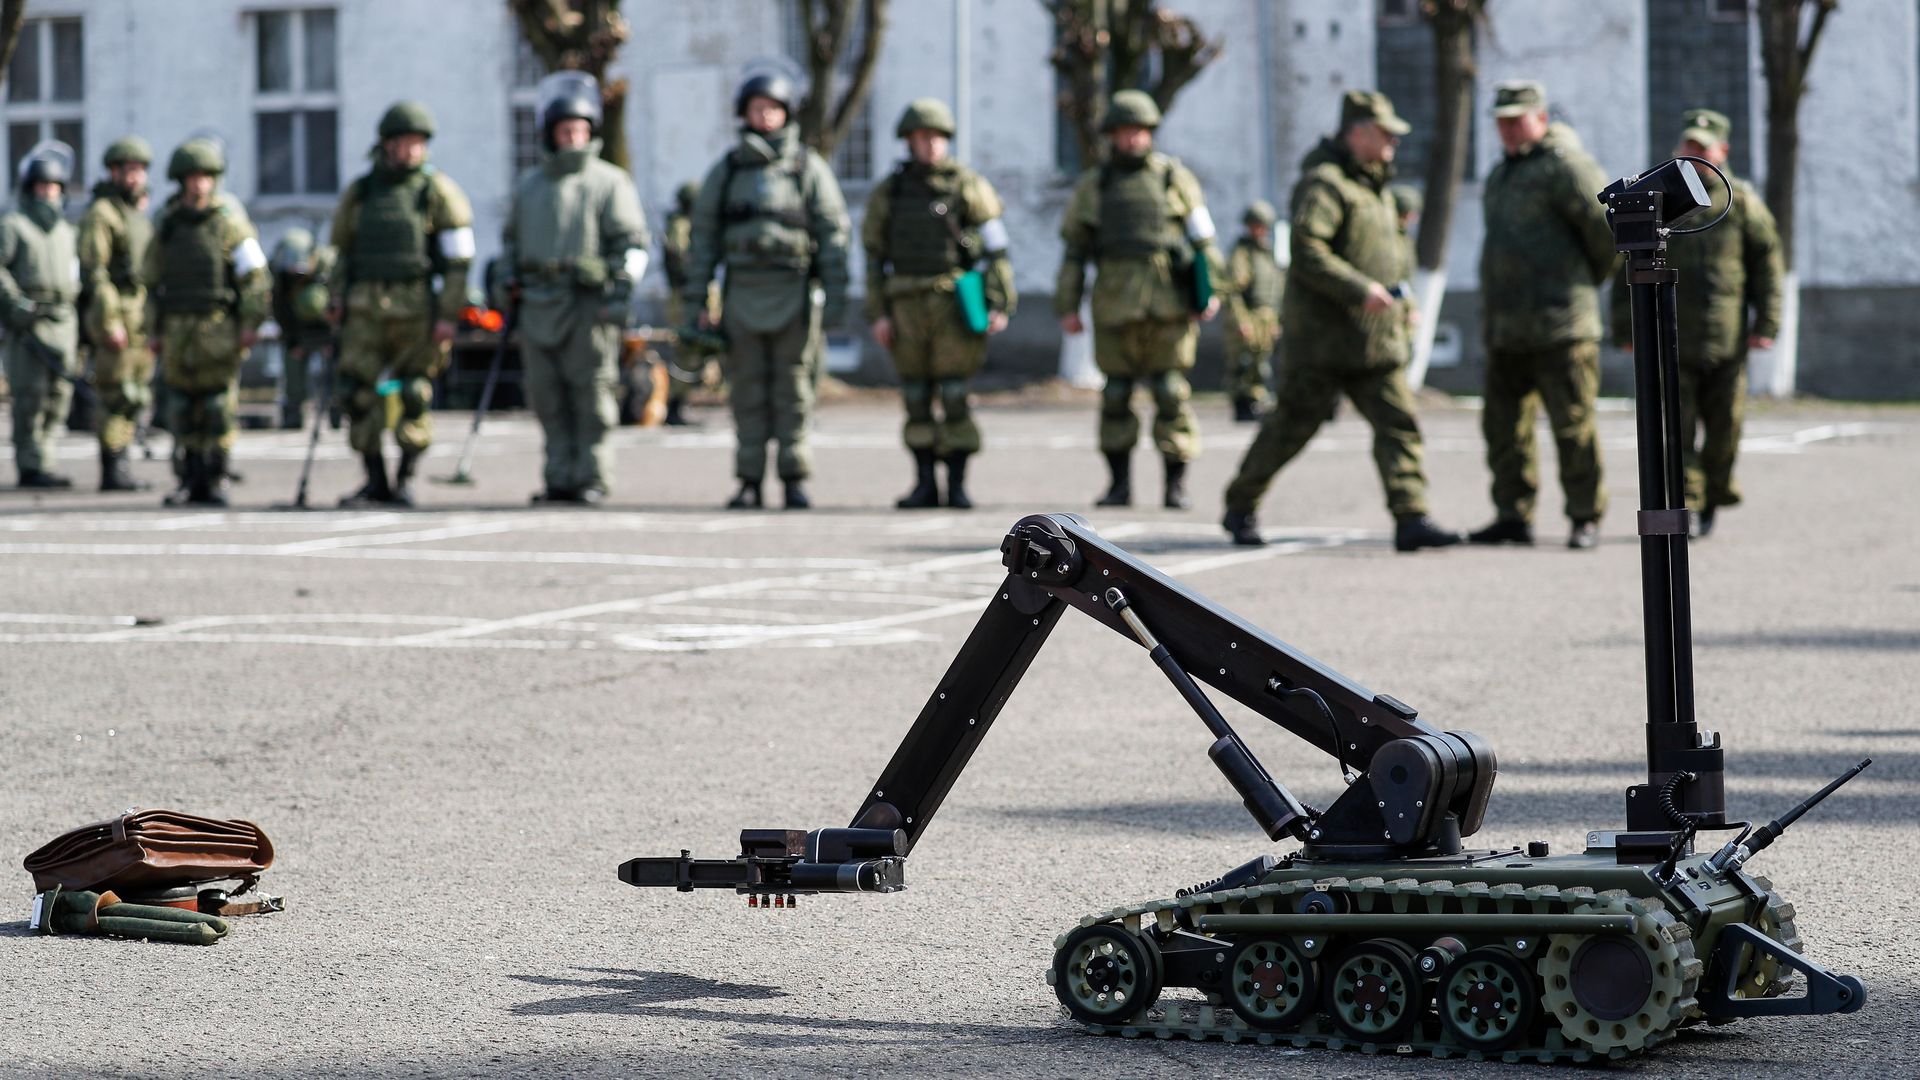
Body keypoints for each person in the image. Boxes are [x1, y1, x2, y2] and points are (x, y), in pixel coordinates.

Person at [1220, 91, 1461, 552]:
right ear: (1357, 132)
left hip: (1375, 342)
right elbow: (1308, 251)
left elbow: (1394, 257)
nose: (1394, 140)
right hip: (1324, 343)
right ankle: (1240, 504)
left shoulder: (1378, 189)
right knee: (1292, 425)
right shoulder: (1325, 184)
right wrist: (1359, 289)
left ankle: (1411, 517)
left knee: (1398, 424)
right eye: (1384, 131)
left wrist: (1403, 302)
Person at [1610, 108, 1781, 538]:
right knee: (1677, 433)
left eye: (1703, 148)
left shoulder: (1741, 201)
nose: (1695, 154)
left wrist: (1769, 323)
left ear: (1722, 151)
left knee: (1725, 432)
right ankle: (1692, 503)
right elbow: (1626, 260)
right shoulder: (1664, 199)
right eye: (1689, 147)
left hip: (1727, 341)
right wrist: (1625, 327)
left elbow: (1768, 264)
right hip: (1674, 339)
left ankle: (1716, 491)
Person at [682, 71, 850, 510]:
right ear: (744, 114)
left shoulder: (807, 167)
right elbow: (702, 239)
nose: (764, 115)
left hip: (793, 294)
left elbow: (833, 233)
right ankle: (749, 480)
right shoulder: (728, 169)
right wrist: (696, 300)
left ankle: (795, 478)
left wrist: (836, 296)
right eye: (756, 108)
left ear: (786, 113)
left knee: (794, 388)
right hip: (742, 295)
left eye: (772, 108)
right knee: (747, 390)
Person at [1470, 80, 1618, 551]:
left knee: (1572, 426)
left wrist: (1575, 288)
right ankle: (1512, 514)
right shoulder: (1502, 174)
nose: (1509, 130)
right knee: (1503, 429)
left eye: (1517, 119)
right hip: (1507, 328)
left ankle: (1584, 516)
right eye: (1502, 122)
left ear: (1541, 117)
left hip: (1562, 326)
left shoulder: (1567, 166)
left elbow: (1608, 233)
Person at [1056, 89, 1220, 510]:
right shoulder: (1096, 184)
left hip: (1168, 303)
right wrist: (1067, 306)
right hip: (1114, 303)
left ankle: (1175, 485)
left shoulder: (1174, 179)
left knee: (1171, 392)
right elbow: (1075, 251)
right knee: (1116, 395)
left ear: (1151, 133)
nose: (1132, 140)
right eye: (1124, 132)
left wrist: (1210, 289)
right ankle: (1119, 484)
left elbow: (1203, 241)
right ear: (1112, 135)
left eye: (1140, 131)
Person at [501, 72, 651, 505]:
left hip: (588, 307)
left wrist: (617, 286)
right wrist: (503, 279)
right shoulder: (530, 186)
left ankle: (593, 476)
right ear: (551, 132)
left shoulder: (609, 183)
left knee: (591, 395)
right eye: (566, 129)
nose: (573, 137)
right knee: (547, 396)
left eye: (581, 130)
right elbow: (511, 242)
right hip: (538, 305)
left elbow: (633, 245)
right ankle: (558, 476)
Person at [863, 97, 1015, 509]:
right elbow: (874, 257)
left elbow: (996, 249)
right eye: (921, 137)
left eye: (936, 137)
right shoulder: (890, 192)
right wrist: (877, 313)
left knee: (952, 392)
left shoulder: (969, 185)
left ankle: (959, 484)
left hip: (953, 303)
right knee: (915, 395)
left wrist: (999, 301)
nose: (929, 145)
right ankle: (925, 482)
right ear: (908, 141)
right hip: (905, 303)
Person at [328, 100, 474, 507]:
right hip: (364, 306)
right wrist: (335, 298)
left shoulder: (437, 191)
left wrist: (448, 314)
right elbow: (339, 251)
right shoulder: (360, 193)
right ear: (387, 145)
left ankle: (406, 477)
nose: (411, 151)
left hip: (415, 308)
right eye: (403, 142)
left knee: (414, 393)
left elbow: (460, 260)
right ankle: (374, 480)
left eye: (418, 143)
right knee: (357, 392)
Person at [141, 138, 270, 506]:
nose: (198, 185)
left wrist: (250, 324)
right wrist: (153, 331)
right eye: (191, 178)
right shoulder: (167, 226)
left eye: (205, 178)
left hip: (218, 330)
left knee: (217, 409)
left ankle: (216, 477)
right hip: (178, 330)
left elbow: (256, 278)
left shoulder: (230, 224)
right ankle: (188, 479)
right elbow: (150, 283)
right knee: (181, 409)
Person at [1, 143, 82, 488]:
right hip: (28, 322)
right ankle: (29, 464)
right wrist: (15, 304)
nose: (48, 194)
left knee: (58, 397)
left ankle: (45, 460)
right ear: (30, 189)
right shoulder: (14, 225)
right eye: (41, 187)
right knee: (29, 395)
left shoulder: (67, 231)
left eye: (53, 187)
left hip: (62, 320)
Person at [79, 137, 156, 490]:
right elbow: (96, 274)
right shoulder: (102, 214)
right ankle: (113, 469)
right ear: (114, 172)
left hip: (139, 313)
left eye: (140, 170)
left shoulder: (135, 214)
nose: (135, 177)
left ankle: (123, 461)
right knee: (116, 393)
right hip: (117, 313)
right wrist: (109, 321)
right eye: (129, 170)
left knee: (135, 393)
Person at [660, 180, 718, 426]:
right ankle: (675, 404)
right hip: (686, 298)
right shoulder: (680, 226)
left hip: (696, 295)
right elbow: (684, 264)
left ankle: (687, 399)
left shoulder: (690, 225)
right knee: (686, 351)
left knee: (701, 351)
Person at [1223, 200, 1284, 424]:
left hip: (1266, 317)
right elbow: (1233, 291)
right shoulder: (1242, 254)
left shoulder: (1267, 255)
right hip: (1250, 316)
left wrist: (1276, 319)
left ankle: (1255, 401)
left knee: (1261, 365)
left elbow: (1275, 290)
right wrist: (1241, 321)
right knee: (1243, 363)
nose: (1260, 230)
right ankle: (1243, 404)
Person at [268, 228, 334, 430]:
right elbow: (280, 310)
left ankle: (338, 409)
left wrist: (333, 339)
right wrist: (292, 341)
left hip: (326, 331)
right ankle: (293, 413)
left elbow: (339, 307)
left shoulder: (328, 270)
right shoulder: (281, 280)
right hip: (297, 331)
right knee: (293, 372)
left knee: (336, 373)